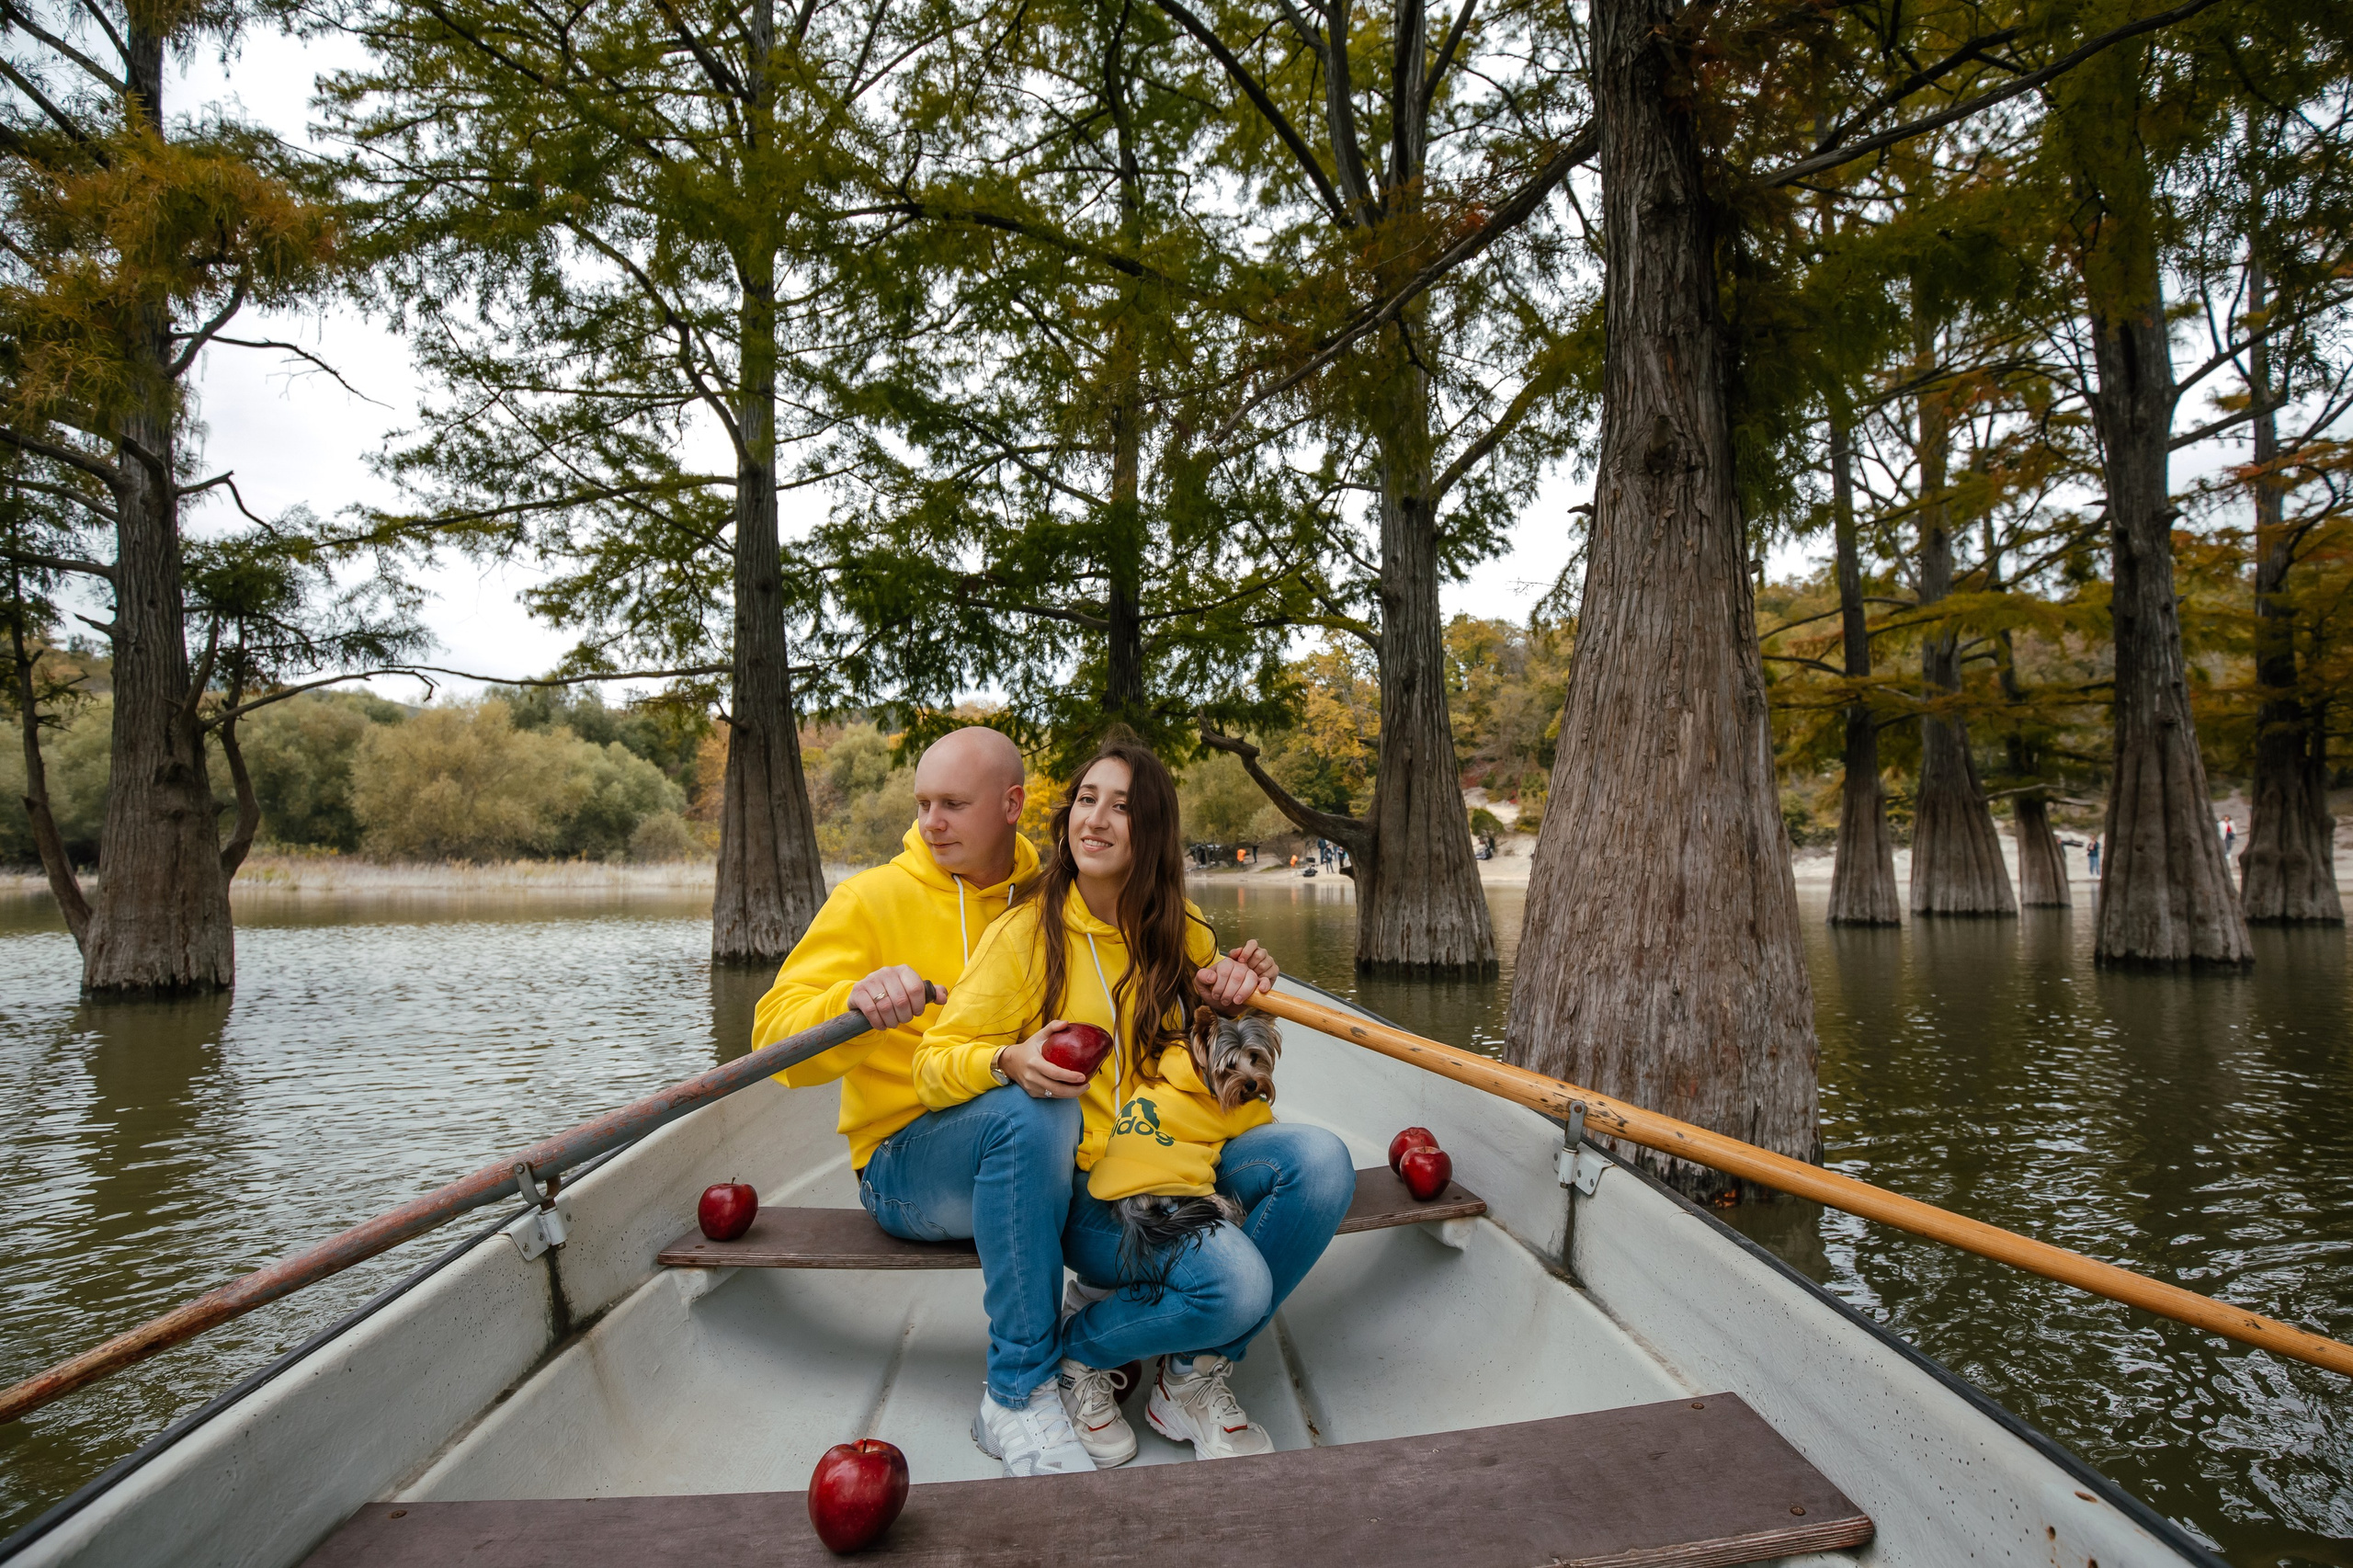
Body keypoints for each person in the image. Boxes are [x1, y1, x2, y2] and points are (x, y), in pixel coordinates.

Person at [916, 732, 1354, 1467]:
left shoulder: (1180, 936)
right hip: (1091, 1197)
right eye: (1086, 800)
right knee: (1238, 1284)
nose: (1095, 819)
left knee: (1322, 1160)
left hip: (1179, 1166)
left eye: (1120, 807)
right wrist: (1007, 1059)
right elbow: (931, 1067)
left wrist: (1250, 987)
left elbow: (1227, 1061)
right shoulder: (1024, 936)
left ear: (1150, 831)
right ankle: (1078, 1352)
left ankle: (1188, 1375)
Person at [751, 726, 1092, 1479]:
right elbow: (772, 1040)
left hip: (1044, 1144)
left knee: (1139, 1148)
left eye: (952, 805)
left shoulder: (1053, 900)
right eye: (923, 804)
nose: (929, 823)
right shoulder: (871, 899)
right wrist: (852, 999)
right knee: (1033, 1112)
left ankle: (1112, 1342)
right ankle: (1019, 1389)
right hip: (905, 1168)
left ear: (1012, 805)